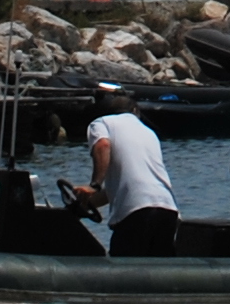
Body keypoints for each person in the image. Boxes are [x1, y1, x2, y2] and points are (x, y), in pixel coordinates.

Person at [68, 107, 182, 256]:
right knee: (158, 266)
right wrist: (84, 204)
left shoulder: (102, 122)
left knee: (122, 265)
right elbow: (119, 190)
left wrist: (94, 185)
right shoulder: (148, 132)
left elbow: (103, 145)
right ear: (135, 111)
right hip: (168, 210)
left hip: (136, 213)